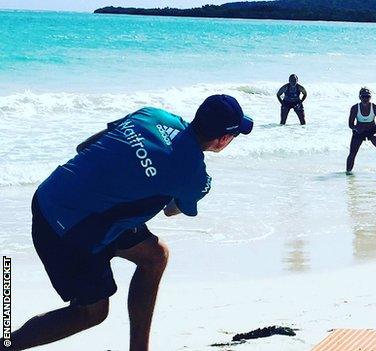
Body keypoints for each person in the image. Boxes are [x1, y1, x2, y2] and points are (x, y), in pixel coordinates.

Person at [9, 95, 253, 350]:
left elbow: (85, 146)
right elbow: (172, 210)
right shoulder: (195, 176)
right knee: (92, 312)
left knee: (155, 255)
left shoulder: (151, 115)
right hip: (69, 228)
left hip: (52, 191)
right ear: (223, 139)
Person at [346, 87, 376, 173]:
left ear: (370, 97)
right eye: (363, 97)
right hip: (359, 131)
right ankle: (348, 173)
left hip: (372, 131)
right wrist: (356, 128)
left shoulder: (375, 108)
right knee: (352, 154)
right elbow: (350, 124)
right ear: (359, 97)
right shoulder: (355, 108)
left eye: (367, 96)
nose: (365, 99)